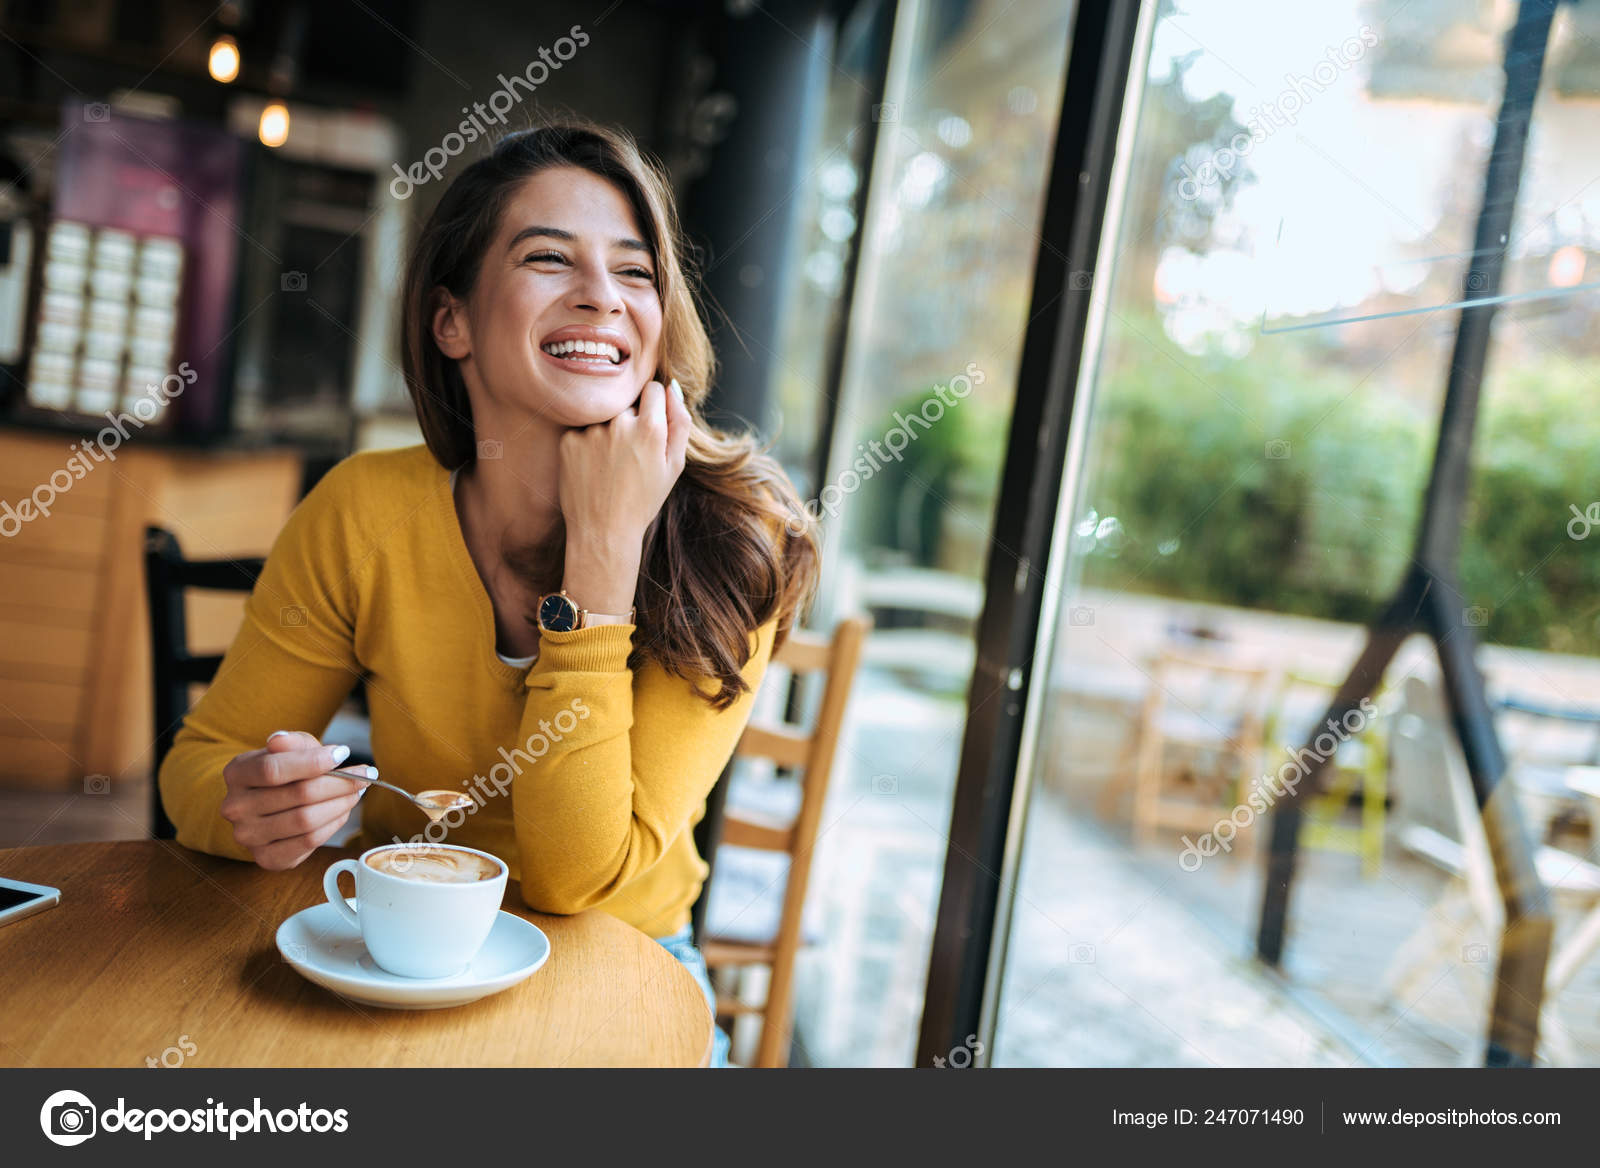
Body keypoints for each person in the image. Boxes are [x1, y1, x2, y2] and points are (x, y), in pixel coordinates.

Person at [158, 122, 820, 1067]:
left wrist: (601, 554)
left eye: (636, 274)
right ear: (451, 322)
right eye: (550, 258)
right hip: (395, 939)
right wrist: (244, 804)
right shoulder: (364, 511)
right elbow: (200, 763)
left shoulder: (732, 540)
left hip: (617, 963)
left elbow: (571, 878)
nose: (601, 295)